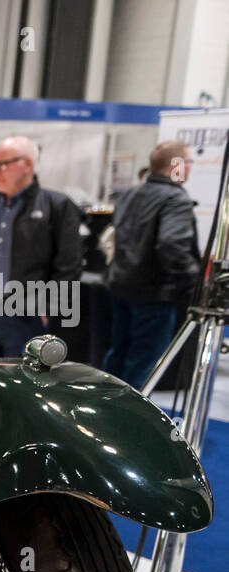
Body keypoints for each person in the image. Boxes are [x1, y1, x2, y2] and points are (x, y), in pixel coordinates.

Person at [0, 135, 82, 358]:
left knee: (20, 384)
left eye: (2, 165)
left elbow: (69, 264)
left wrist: (49, 306)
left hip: (24, 313)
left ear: (28, 165)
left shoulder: (56, 205)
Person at [102, 140, 200, 387]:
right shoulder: (175, 199)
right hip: (153, 295)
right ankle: (129, 420)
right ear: (176, 165)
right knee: (143, 363)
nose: (189, 168)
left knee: (117, 356)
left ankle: (105, 411)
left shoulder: (130, 194)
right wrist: (192, 282)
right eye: (188, 162)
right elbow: (171, 245)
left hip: (121, 287)